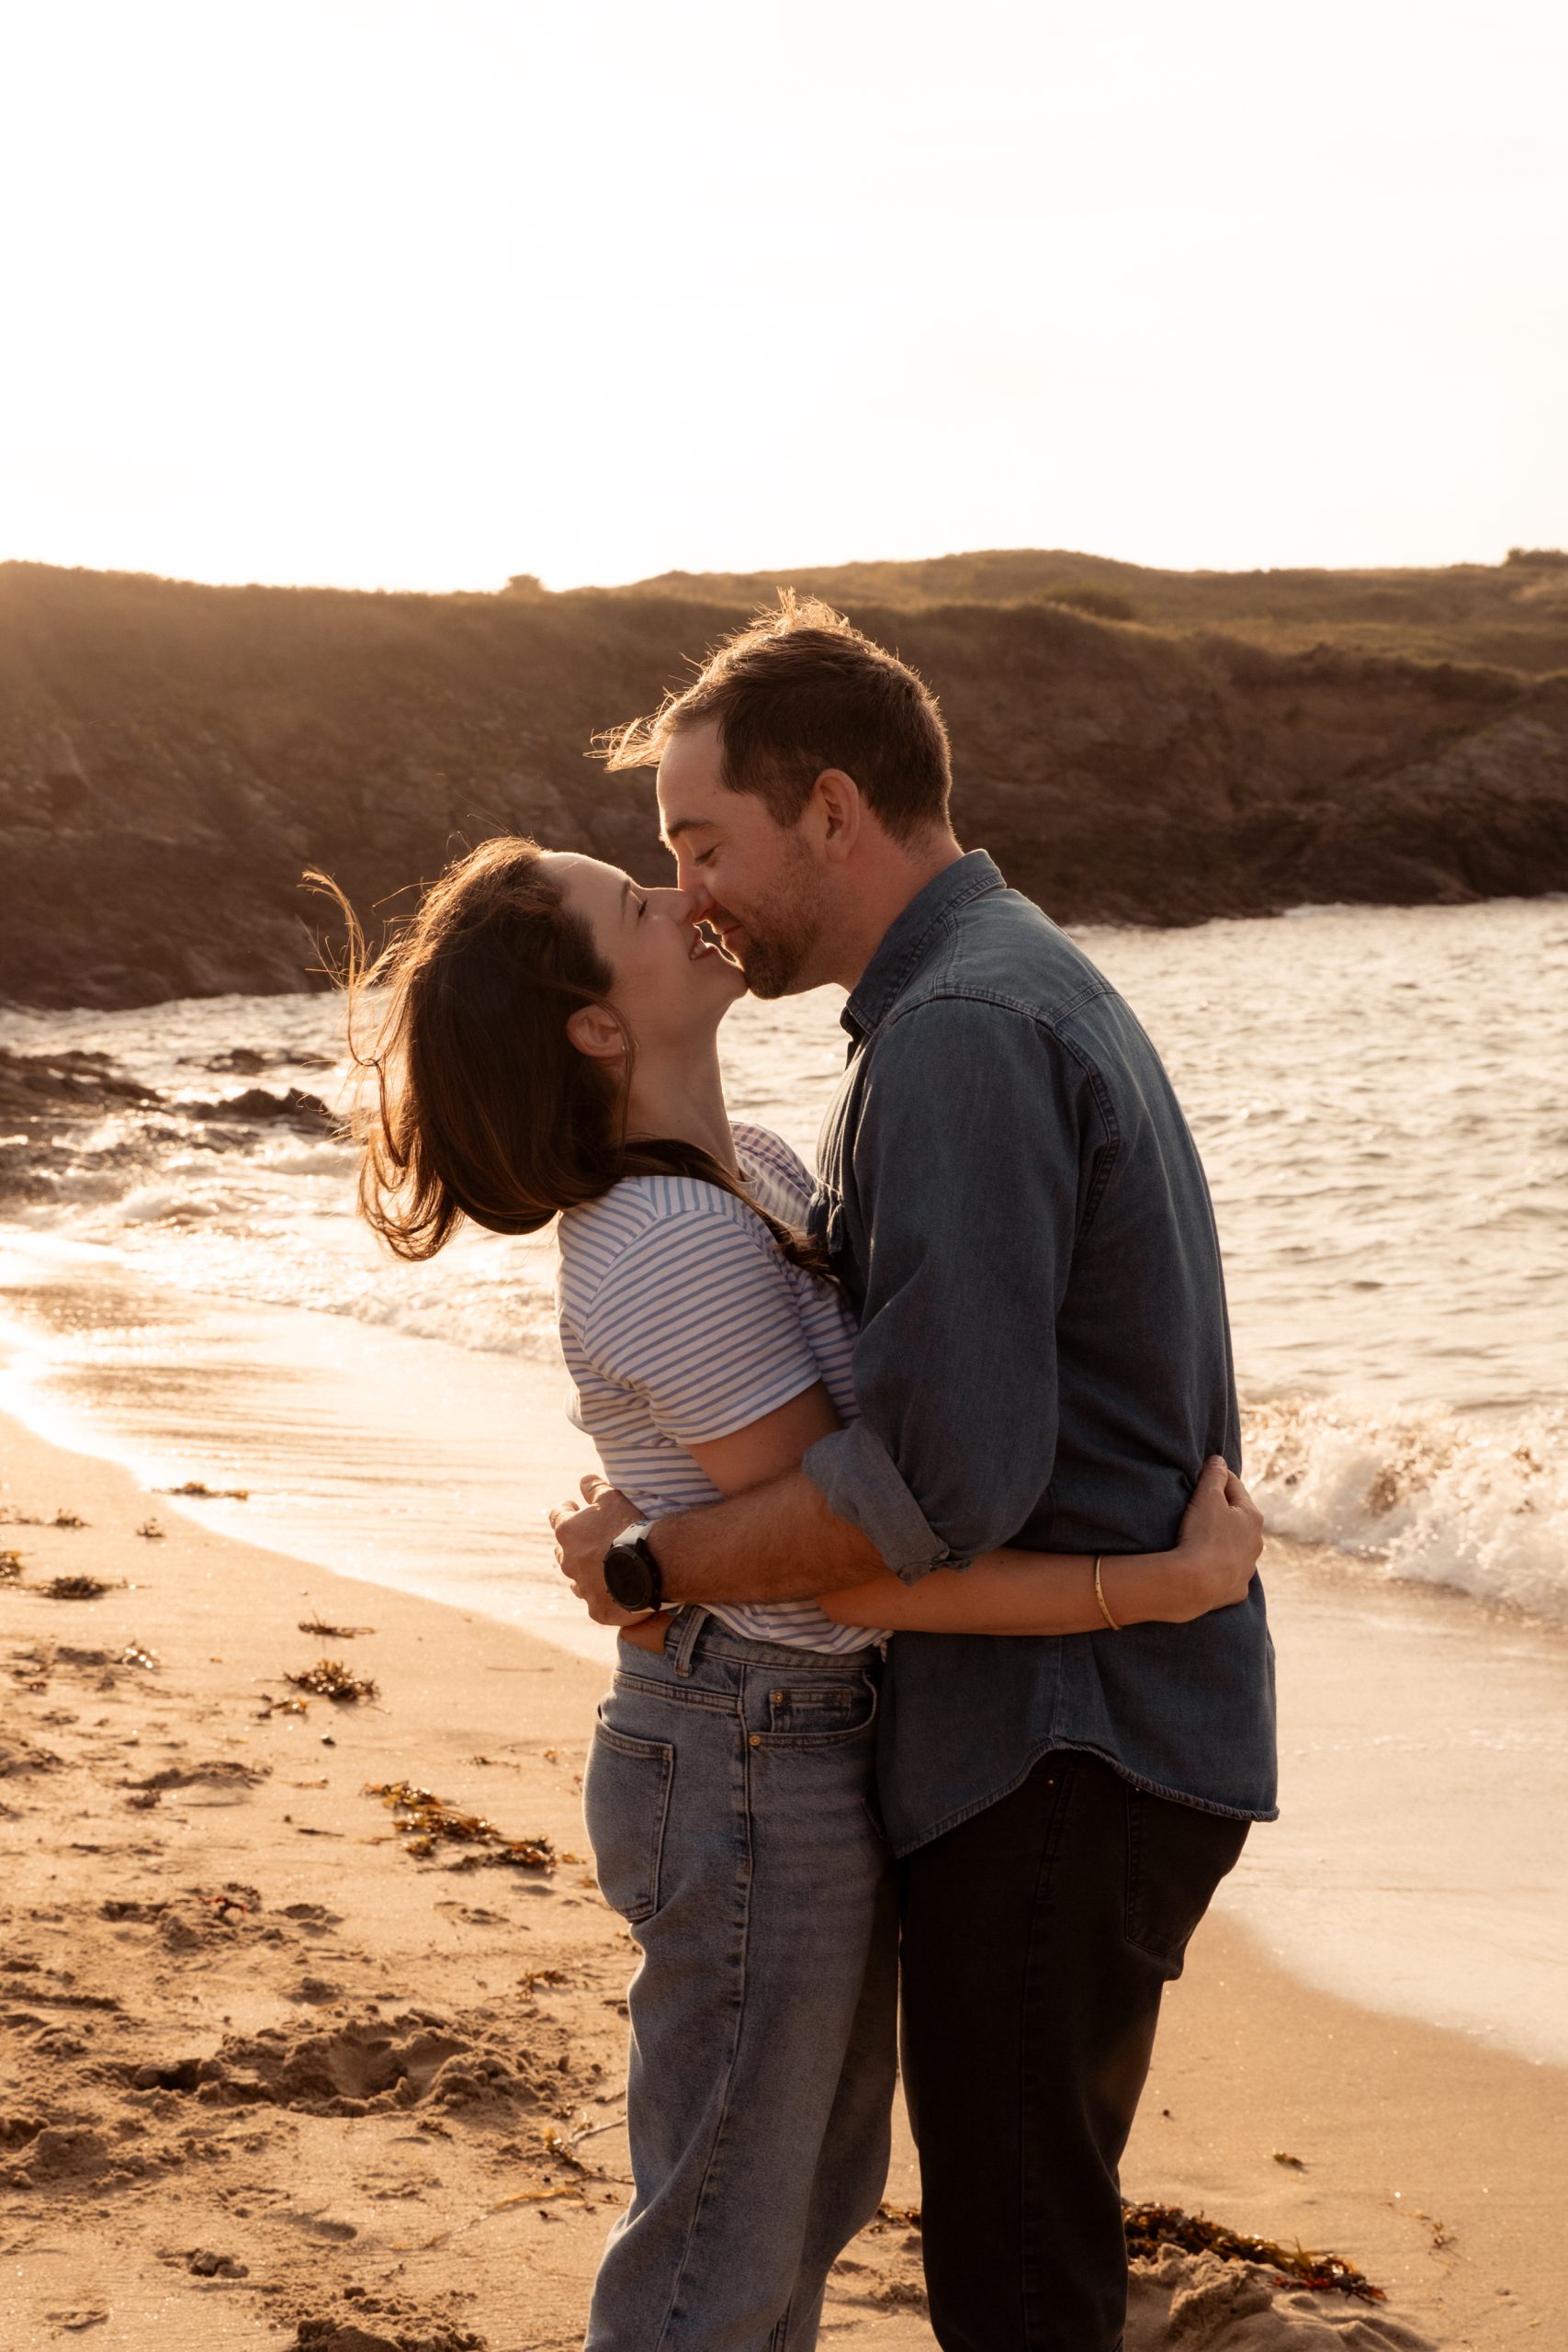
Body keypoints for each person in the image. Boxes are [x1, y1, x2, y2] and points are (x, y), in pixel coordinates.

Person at [329, 831, 1265, 2352]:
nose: (686, 897)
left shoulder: (749, 1173)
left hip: (791, 1738)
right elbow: (861, 1570)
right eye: (642, 900)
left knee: (803, 2197)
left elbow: (821, 1479)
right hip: (747, 1747)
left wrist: (651, 1539)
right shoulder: (672, 1238)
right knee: (724, 2232)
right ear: (597, 1026)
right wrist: (1152, 1588)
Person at [552, 594, 1279, 2352]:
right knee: (1003, 2246)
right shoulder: (989, 987)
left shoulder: (958, 1030)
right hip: (1093, 1728)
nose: (694, 891)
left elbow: (936, 1488)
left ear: (831, 809)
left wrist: (660, 1562)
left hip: (1063, 1744)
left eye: (702, 842)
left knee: (1016, 2282)